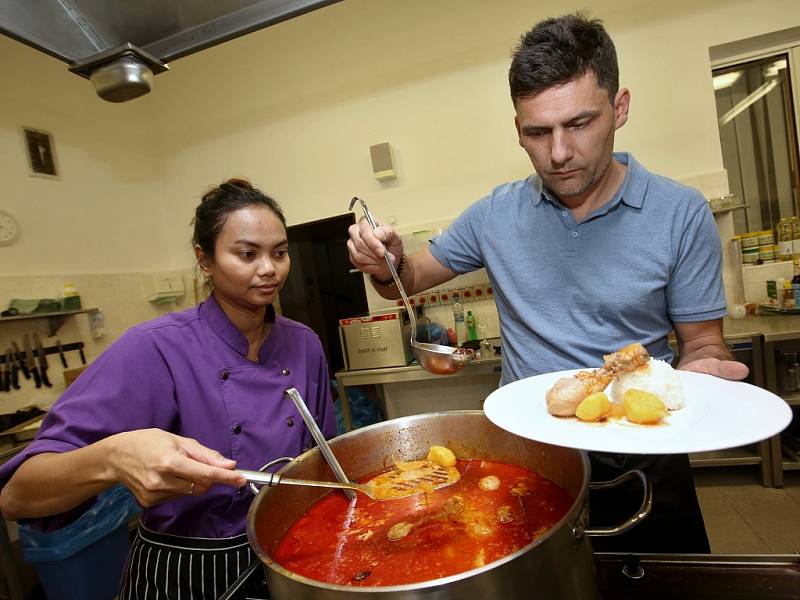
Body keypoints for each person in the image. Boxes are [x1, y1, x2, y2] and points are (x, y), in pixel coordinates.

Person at [347, 13, 748, 553]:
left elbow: (701, 340)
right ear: (518, 130)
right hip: (532, 461)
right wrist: (385, 262)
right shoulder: (496, 214)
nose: (559, 153)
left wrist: (704, 370)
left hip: (646, 458)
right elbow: (406, 281)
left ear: (620, 108)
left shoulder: (680, 213)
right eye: (538, 132)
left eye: (579, 124)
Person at [0, 179, 336, 598]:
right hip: (184, 572)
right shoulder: (155, 347)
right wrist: (112, 457)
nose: (269, 268)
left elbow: (325, 464)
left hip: (288, 555)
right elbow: (18, 496)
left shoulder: (302, 342)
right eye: (247, 254)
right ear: (205, 259)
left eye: (280, 253)